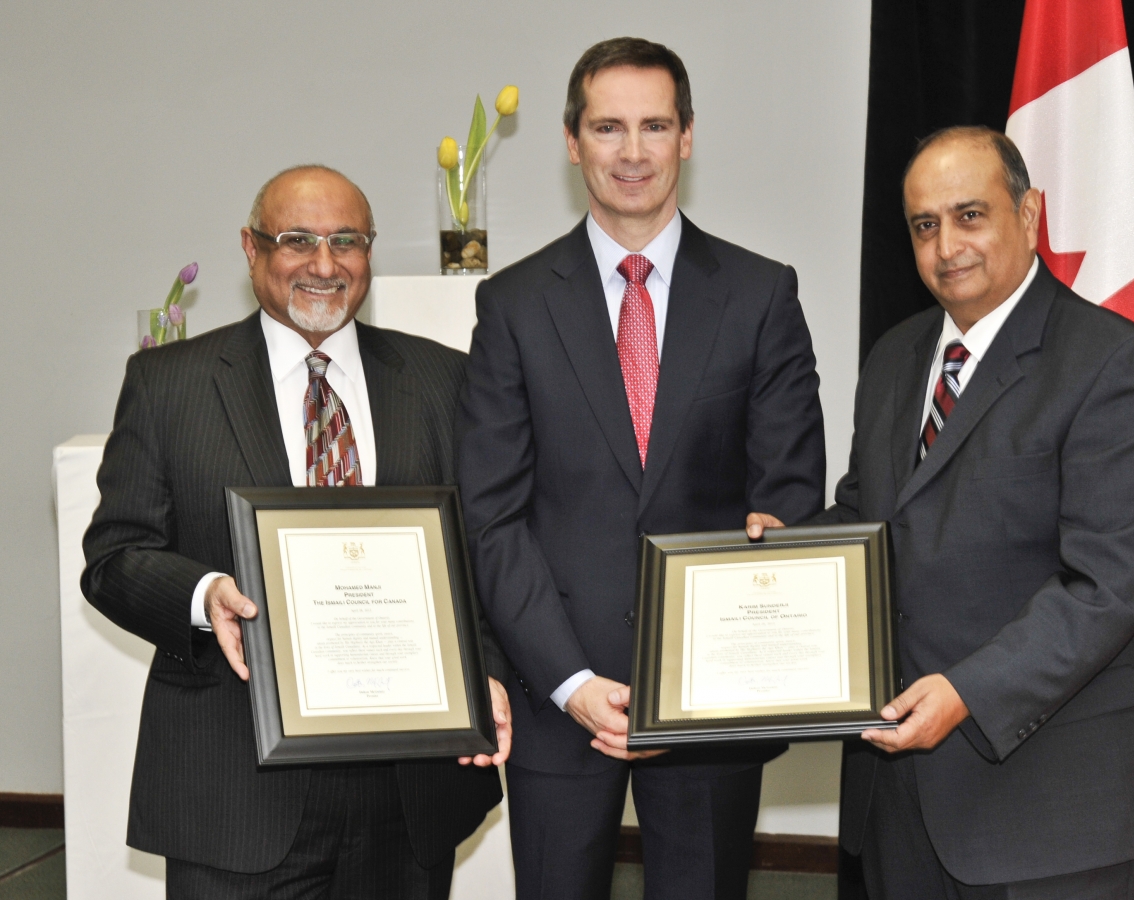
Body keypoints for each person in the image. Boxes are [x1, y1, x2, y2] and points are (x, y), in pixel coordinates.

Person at [754, 126, 1134, 899]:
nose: (946, 244)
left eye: (970, 215)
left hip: (1056, 807)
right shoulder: (894, 358)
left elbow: (1109, 586)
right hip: (903, 800)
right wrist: (784, 560)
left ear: (1029, 215)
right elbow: (873, 514)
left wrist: (965, 692)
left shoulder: (1117, 367)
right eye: (925, 225)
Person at [456, 37, 826, 900]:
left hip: (712, 703)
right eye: (608, 127)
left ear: (688, 137)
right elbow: (493, 517)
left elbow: (788, 502)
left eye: (654, 125)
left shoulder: (762, 294)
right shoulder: (510, 305)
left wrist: (689, 691)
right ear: (572, 140)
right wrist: (572, 683)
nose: (632, 152)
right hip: (558, 695)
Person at [82, 165, 511, 899]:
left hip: (405, 791)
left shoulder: (444, 380)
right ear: (251, 250)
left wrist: (487, 672)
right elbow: (114, 558)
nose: (323, 263)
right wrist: (204, 591)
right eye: (296, 240)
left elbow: (487, 552)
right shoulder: (169, 386)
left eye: (347, 240)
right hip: (233, 790)